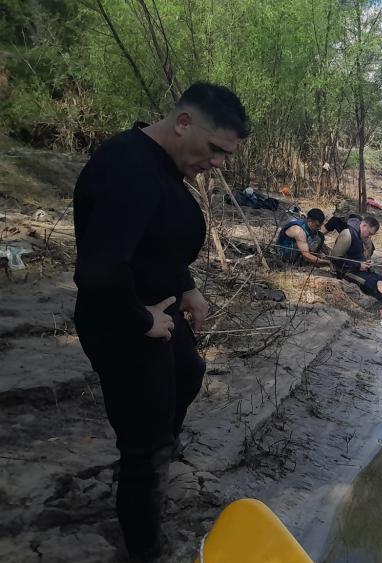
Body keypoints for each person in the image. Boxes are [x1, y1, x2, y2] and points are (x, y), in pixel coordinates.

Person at [73, 82, 249, 560]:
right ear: (183, 122)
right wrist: (139, 321)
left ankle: (153, 463)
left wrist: (185, 285)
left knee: (189, 374)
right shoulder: (127, 167)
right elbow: (98, 269)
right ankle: (144, 544)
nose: (218, 163)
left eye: (225, 155)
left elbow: (154, 240)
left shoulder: (161, 165)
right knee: (145, 445)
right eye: (214, 149)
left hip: (157, 309)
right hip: (121, 319)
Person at [330, 216, 382, 300]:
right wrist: (358, 265)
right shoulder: (347, 234)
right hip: (346, 271)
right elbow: (334, 259)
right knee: (378, 285)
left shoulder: (362, 235)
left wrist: (367, 262)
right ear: (364, 226)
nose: (369, 236)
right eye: (370, 233)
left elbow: (358, 255)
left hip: (361, 270)